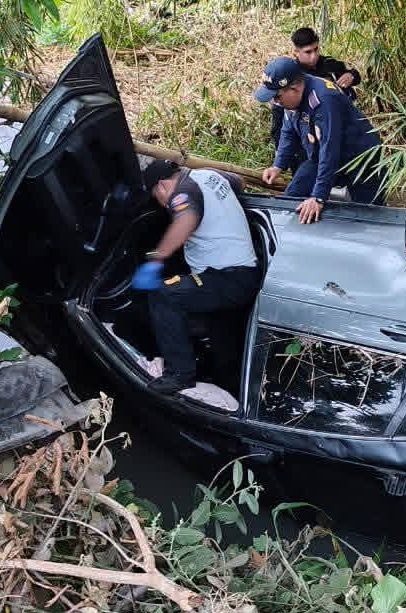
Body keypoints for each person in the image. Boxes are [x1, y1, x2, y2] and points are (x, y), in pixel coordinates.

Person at [132, 160, 261, 395]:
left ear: (162, 185)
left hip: (226, 278)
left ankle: (180, 374)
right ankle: (231, 390)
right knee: (223, 345)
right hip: (242, 274)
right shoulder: (208, 175)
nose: (162, 205)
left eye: (157, 198)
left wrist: (156, 258)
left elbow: (186, 220)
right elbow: (239, 183)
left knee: (165, 295)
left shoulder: (181, 192)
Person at [255, 57, 386, 224]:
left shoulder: (324, 100)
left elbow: (330, 150)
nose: (276, 102)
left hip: (361, 159)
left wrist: (318, 198)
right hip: (323, 157)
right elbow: (287, 132)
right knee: (291, 199)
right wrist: (278, 165)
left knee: (371, 216)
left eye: (278, 97)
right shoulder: (290, 100)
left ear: (294, 88)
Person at [268, 27, 363, 157]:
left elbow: (355, 76)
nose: (314, 56)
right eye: (308, 52)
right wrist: (282, 155)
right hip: (307, 140)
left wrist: (351, 76)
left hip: (342, 131)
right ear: (295, 52)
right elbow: (279, 117)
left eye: (316, 49)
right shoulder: (289, 75)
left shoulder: (330, 65)